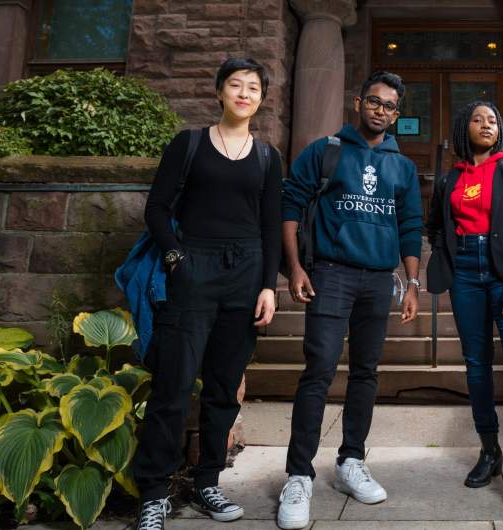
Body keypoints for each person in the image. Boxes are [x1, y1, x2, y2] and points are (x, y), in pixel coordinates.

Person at [131, 57, 281, 530]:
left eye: (252, 87)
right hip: (193, 269)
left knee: (222, 390)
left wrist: (268, 287)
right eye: (235, 85)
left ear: (261, 99)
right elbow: (156, 209)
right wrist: (176, 258)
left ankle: (208, 482)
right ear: (219, 92)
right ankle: (153, 494)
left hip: (247, 271)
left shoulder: (267, 156)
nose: (243, 93)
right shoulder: (188, 144)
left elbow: (272, 225)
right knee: (172, 387)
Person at [276, 70, 423, 530]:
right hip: (331, 274)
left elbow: (411, 226)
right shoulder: (326, 151)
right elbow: (290, 205)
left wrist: (412, 283)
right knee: (318, 370)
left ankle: (350, 462)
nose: (381, 110)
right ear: (358, 103)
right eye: (374, 102)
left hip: (379, 280)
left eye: (390, 106)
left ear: (397, 115)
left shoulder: (403, 165)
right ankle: (299, 476)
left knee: (366, 372)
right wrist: (297, 267)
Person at [425, 101, 503, 524]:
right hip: (465, 277)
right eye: (477, 119)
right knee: (476, 365)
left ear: (501, 130)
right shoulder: (450, 177)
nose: (486, 124)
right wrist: (444, 258)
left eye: (493, 119)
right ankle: (489, 450)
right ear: (464, 127)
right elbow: (434, 225)